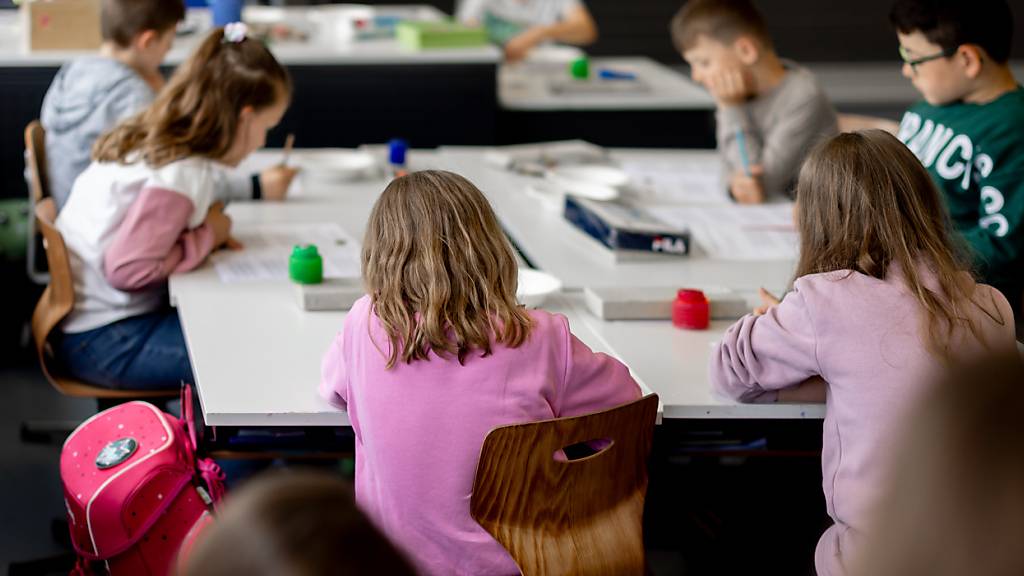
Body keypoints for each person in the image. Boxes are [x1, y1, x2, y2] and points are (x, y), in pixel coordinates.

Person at [710, 130, 1017, 576]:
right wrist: (834, 364)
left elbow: (727, 374)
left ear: (820, 220)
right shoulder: (992, 307)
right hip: (987, 555)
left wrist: (789, 327)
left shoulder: (824, 303)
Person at [319, 169, 641, 575]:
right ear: (491, 249)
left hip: (392, 563)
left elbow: (333, 388)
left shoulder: (363, 322)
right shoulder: (540, 337)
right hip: (528, 563)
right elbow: (625, 405)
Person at [54, 25, 292, 390]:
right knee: (253, 350)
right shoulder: (181, 174)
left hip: (90, 324)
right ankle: (203, 445)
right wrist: (210, 233)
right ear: (243, 117)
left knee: (233, 323)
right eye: (267, 126)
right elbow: (128, 269)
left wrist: (198, 233)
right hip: (105, 340)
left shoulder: (157, 137)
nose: (262, 142)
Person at [891, 0, 1024, 318]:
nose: (906, 70)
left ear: (967, 59)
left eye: (914, 58)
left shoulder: (1012, 127)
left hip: (959, 305)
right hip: (902, 271)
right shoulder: (933, 104)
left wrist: (904, 244)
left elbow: (1005, 246)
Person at [671, 0, 838, 202]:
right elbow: (727, 165)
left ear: (746, 51)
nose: (696, 76)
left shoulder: (803, 96)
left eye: (704, 63)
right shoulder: (738, 94)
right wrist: (732, 184)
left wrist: (730, 108)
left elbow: (758, 183)